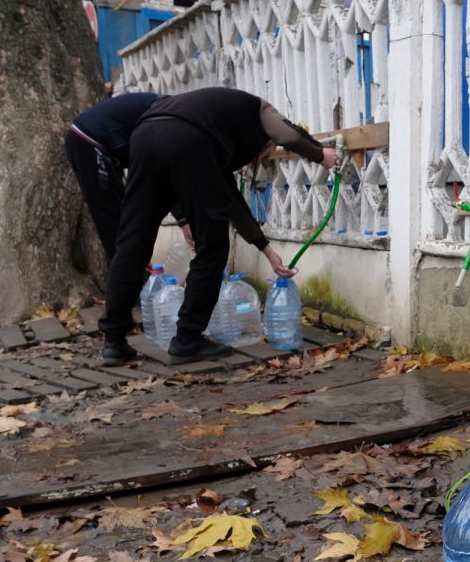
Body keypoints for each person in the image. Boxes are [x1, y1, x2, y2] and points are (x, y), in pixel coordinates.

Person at [98, 87, 337, 366]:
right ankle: (187, 339)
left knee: (132, 242)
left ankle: (113, 341)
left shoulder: (216, 121)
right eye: (267, 150)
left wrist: (267, 250)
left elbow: (229, 200)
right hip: (186, 141)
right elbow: (289, 135)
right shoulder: (260, 109)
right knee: (212, 245)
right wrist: (321, 155)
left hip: (142, 137)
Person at [65, 92, 194, 263]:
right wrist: (184, 219)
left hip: (108, 150)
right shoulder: (166, 117)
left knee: (124, 218)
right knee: (112, 225)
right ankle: (124, 284)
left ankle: (131, 276)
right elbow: (163, 172)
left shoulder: (172, 118)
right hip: (89, 141)